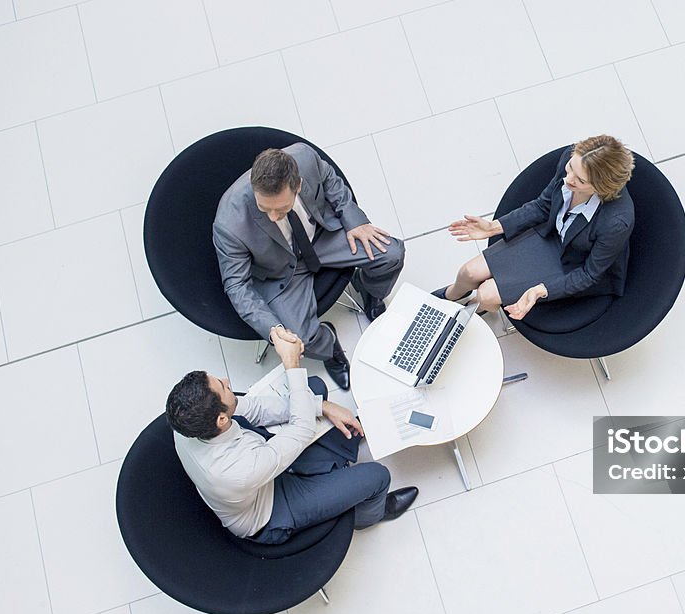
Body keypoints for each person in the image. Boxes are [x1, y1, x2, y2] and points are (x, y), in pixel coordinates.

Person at [166, 325, 418, 544]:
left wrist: (322, 405)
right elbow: (301, 429)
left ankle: (336, 459)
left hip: (256, 468)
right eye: (223, 386)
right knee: (377, 476)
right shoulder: (237, 471)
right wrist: (291, 364)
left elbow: (251, 408)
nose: (227, 379)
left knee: (313, 391)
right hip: (271, 510)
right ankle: (366, 516)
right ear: (221, 420)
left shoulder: (187, 425)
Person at [214, 144, 405, 390]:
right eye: (265, 209)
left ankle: (370, 291)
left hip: (322, 238)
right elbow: (236, 285)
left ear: (299, 185)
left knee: (392, 254)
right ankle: (330, 348)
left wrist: (354, 219)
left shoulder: (305, 158)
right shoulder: (229, 224)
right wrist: (273, 330)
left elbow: (330, 180)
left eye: (281, 209)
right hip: (280, 271)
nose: (273, 217)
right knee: (300, 338)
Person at [434, 135, 635, 320]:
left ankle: (465, 314)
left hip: (575, 263)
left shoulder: (616, 222)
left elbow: (589, 274)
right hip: (551, 236)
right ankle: (451, 295)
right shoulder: (572, 160)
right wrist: (493, 227)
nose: (568, 179)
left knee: (486, 295)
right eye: (570, 167)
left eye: (580, 180)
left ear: (602, 188)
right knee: (468, 272)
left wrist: (540, 290)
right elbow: (543, 206)